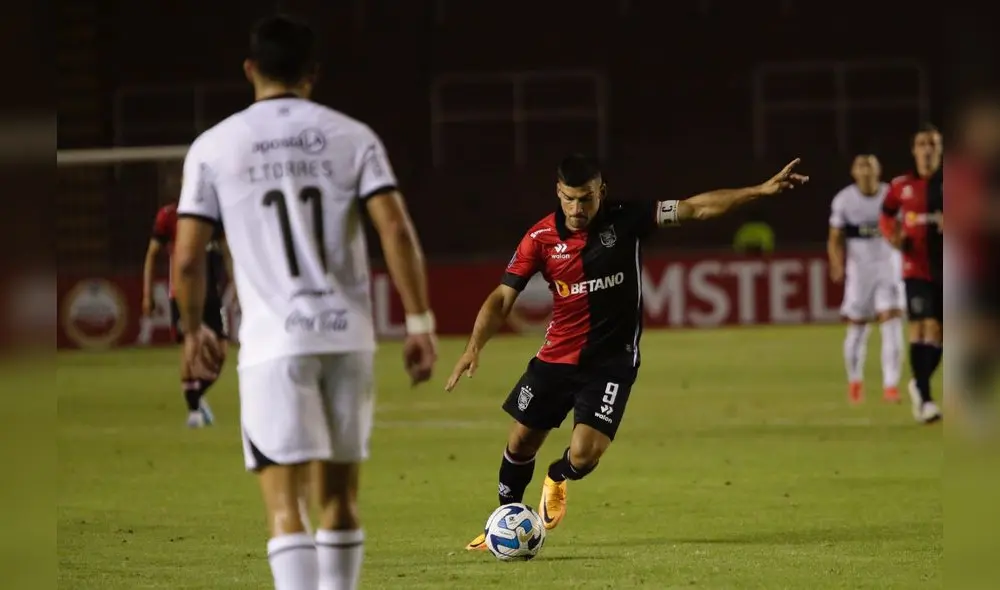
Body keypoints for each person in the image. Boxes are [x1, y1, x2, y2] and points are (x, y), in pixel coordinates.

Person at [171, 15, 437, 590]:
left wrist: (194, 331)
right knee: (339, 500)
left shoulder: (214, 146)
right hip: (347, 337)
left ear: (250, 70)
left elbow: (188, 259)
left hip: (273, 344)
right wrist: (420, 323)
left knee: (284, 506)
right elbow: (395, 230)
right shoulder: (353, 135)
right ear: (312, 75)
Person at [446, 154, 808, 551]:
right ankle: (505, 520)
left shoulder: (629, 218)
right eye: (569, 199)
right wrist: (473, 346)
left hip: (612, 362)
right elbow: (502, 298)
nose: (577, 208)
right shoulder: (540, 239)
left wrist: (759, 190)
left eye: (585, 198)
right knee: (519, 442)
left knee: (584, 456)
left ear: (601, 192)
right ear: (558, 193)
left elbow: (697, 208)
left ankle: (558, 475)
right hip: (556, 357)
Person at [142, 193, 232, 428]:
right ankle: (193, 411)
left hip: (212, 294)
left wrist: (237, 285)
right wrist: (147, 294)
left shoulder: (216, 214)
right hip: (183, 292)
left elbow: (226, 252)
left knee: (221, 351)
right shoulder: (169, 216)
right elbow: (152, 254)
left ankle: (197, 396)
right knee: (191, 343)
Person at [879, 124, 944, 424]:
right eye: (922, 144)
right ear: (914, 150)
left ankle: (918, 384)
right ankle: (926, 399)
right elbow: (886, 214)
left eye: (932, 143)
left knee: (941, 334)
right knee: (922, 326)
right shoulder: (900, 185)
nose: (927, 149)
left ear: (940, 148)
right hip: (915, 266)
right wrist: (893, 236)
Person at [827, 154, 905, 404]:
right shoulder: (844, 200)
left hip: (889, 268)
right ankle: (855, 381)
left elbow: (904, 228)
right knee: (857, 329)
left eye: (870, 164)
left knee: (892, 324)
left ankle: (891, 386)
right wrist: (836, 262)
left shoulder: (890, 196)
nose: (866, 169)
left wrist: (902, 243)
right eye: (861, 165)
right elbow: (835, 237)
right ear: (854, 172)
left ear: (879, 170)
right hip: (859, 273)